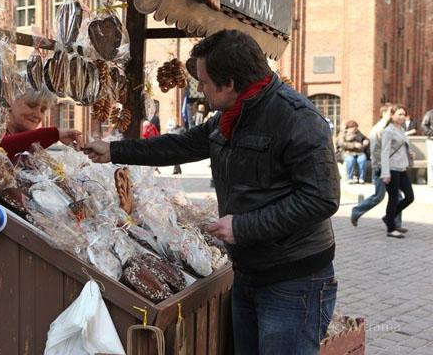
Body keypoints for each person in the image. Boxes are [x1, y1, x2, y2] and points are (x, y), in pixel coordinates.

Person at [84, 30, 339, 354]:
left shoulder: (298, 118)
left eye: (204, 82)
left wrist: (243, 226)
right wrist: (113, 151)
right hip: (248, 271)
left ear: (229, 83)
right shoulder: (230, 117)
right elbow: (182, 144)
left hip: (294, 282)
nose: (200, 89)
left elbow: (322, 198)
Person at [0, 87, 82, 286]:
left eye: (43, 110)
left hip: (12, 241)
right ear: (10, 102)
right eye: (31, 105)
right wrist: (54, 133)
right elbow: (0, 148)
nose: (37, 114)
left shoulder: (29, 146)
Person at [350, 104, 403, 230]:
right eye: (392, 113)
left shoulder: (391, 128)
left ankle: (395, 224)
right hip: (380, 167)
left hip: (392, 167)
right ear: (386, 114)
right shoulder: (378, 128)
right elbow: (375, 149)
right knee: (379, 196)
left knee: (397, 196)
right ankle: (357, 211)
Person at [380, 105, 414, 238]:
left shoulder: (402, 129)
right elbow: (385, 152)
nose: (402, 117)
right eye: (399, 114)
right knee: (393, 199)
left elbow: (402, 147)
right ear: (392, 115)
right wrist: (385, 172)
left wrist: (409, 154)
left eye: (404, 114)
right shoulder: (388, 131)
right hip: (392, 169)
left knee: (410, 197)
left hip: (402, 168)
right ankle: (391, 228)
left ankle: (388, 217)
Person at [422, 107, 433, 186]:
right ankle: (431, 181)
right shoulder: (430, 113)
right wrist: (431, 134)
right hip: (432, 140)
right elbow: (424, 125)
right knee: (432, 162)